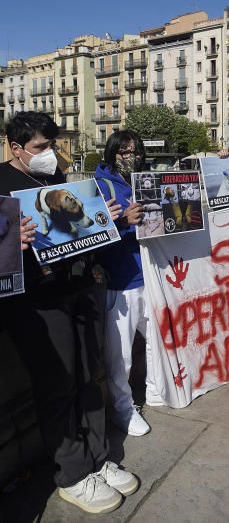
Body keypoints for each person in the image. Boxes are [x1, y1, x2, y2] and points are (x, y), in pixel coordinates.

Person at [0, 112, 138, 514]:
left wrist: (102, 222)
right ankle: (73, 474)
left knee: (88, 379)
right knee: (56, 387)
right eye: (40, 148)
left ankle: (98, 457)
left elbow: (77, 235)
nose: (49, 155)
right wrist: (13, 240)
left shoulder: (60, 181)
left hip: (77, 290)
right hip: (36, 304)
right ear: (15, 147)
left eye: (51, 146)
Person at [95, 131, 160, 438]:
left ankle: (156, 389)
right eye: (123, 151)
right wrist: (123, 224)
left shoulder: (146, 180)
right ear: (111, 153)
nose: (130, 156)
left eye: (134, 151)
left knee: (160, 339)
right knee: (120, 356)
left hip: (151, 276)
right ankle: (123, 408)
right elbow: (89, 238)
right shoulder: (98, 186)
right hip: (119, 282)